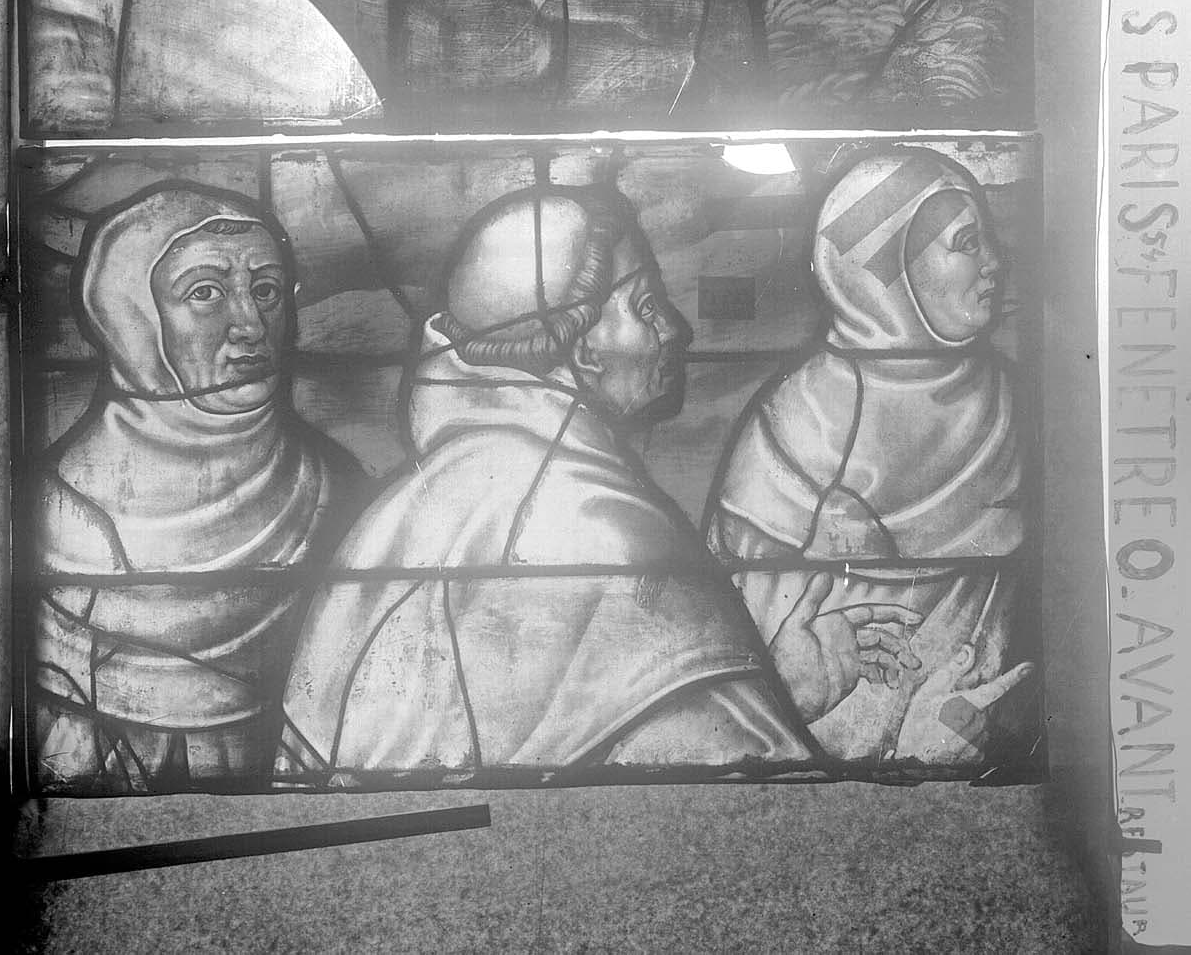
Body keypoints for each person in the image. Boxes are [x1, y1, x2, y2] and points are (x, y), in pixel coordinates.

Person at [280, 186, 919, 782]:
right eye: (646, 308)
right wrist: (763, 708)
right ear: (583, 351)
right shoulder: (600, 528)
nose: (676, 329)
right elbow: (726, 805)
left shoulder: (411, 511)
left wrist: (778, 692)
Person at [34, 182, 367, 793]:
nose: (251, 326)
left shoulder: (335, 488)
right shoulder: (58, 510)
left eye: (266, 291)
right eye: (205, 292)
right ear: (133, 319)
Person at [705, 148, 1033, 766]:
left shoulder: (1015, 405)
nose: (995, 262)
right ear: (887, 275)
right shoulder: (795, 429)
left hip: (978, 741)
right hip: (813, 763)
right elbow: (747, 660)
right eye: (967, 243)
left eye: (987, 238)